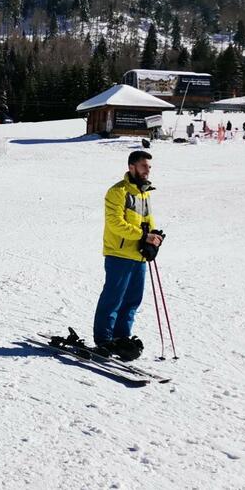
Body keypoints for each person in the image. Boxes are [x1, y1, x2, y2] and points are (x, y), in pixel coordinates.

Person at [93, 150, 162, 361]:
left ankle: (122, 337)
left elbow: (148, 221)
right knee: (113, 297)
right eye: (143, 167)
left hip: (138, 256)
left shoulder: (144, 192)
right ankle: (103, 340)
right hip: (119, 253)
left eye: (149, 167)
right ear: (132, 167)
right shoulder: (118, 192)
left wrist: (154, 238)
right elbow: (115, 224)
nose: (147, 171)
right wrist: (143, 236)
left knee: (133, 300)